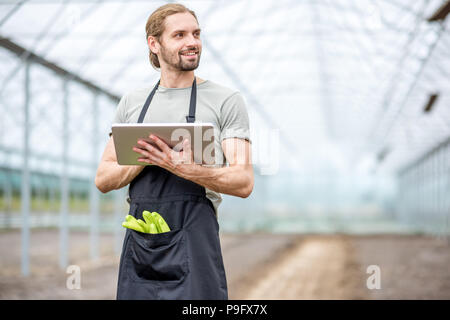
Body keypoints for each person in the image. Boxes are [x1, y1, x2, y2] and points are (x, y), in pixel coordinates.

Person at [95, 3, 253, 300]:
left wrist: (182, 166)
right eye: (179, 35)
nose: (192, 42)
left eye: (196, 34)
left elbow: (243, 181)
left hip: (195, 240)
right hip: (141, 241)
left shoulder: (225, 100)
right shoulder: (133, 103)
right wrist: (144, 158)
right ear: (154, 44)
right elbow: (103, 178)